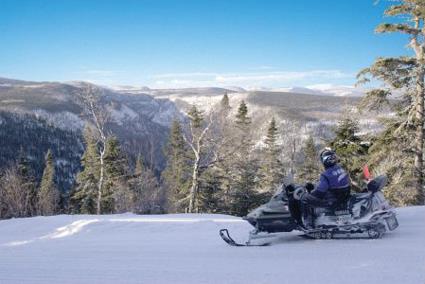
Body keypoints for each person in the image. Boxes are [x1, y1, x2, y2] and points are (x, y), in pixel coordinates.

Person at [288, 147, 351, 229]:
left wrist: (310, 193)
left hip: (331, 201)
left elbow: (320, 192)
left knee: (304, 199)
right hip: (341, 198)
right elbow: (334, 184)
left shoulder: (326, 175)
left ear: (325, 161)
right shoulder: (341, 169)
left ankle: (308, 223)